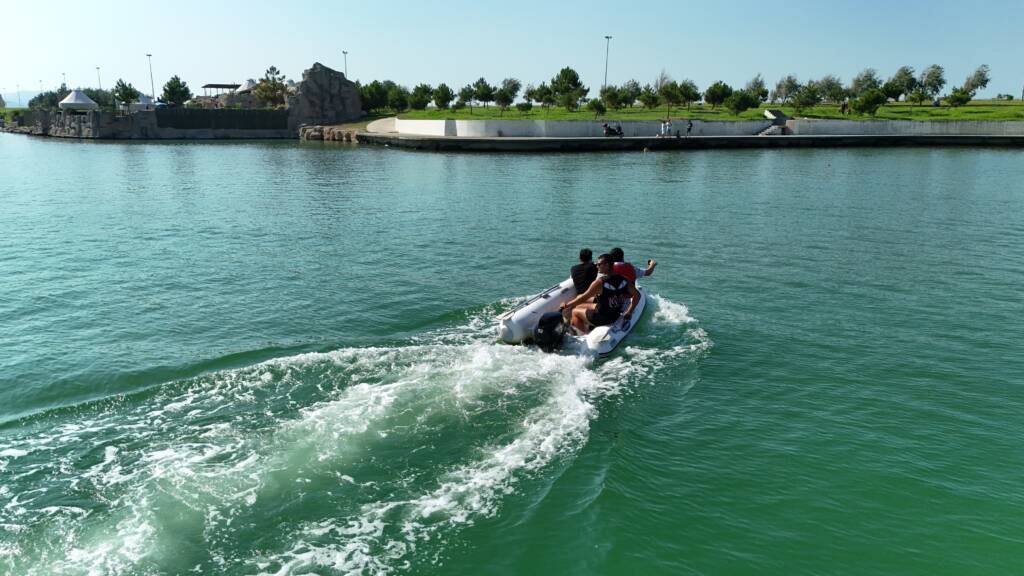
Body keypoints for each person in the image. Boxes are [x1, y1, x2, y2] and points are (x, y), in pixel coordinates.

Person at [560, 254, 640, 334]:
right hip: (615, 314)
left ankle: (582, 336)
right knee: (579, 305)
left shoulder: (600, 283)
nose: (597, 266)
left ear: (607, 265)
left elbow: (583, 298)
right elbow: (637, 295)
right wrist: (629, 311)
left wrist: (566, 305)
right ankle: (586, 325)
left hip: (601, 318)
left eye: (599, 264)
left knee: (574, 311)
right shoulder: (624, 279)